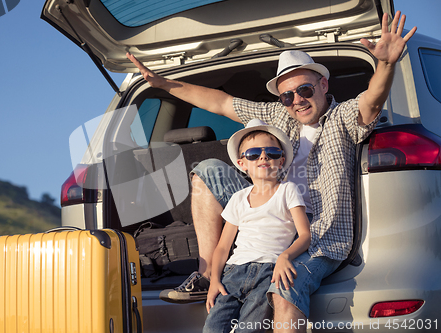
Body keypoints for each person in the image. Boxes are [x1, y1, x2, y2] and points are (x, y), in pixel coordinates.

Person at [127, 11, 416, 332]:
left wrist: (386, 65)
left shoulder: (342, 117)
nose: (297, 100)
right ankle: (207, 275)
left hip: (319, 240)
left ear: (323, 84)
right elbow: (221, 103)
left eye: (305, 90)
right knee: (207, 170)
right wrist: (165, 84)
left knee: (284, 287)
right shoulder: (279, 115)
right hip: (271, 232)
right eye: (287, 95)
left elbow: (371, 103)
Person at [203, 119, 310, 333]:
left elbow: (305, 235)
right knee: (212, 329)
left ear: (281, 161)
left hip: (268, 272)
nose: (263, 157)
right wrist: (214, 280)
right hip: (233, 273)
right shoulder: (238, 198)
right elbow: (223, 247)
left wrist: (285, 256)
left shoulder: (287, 190)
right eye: (253, 154)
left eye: (272, 152)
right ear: (242, 163)